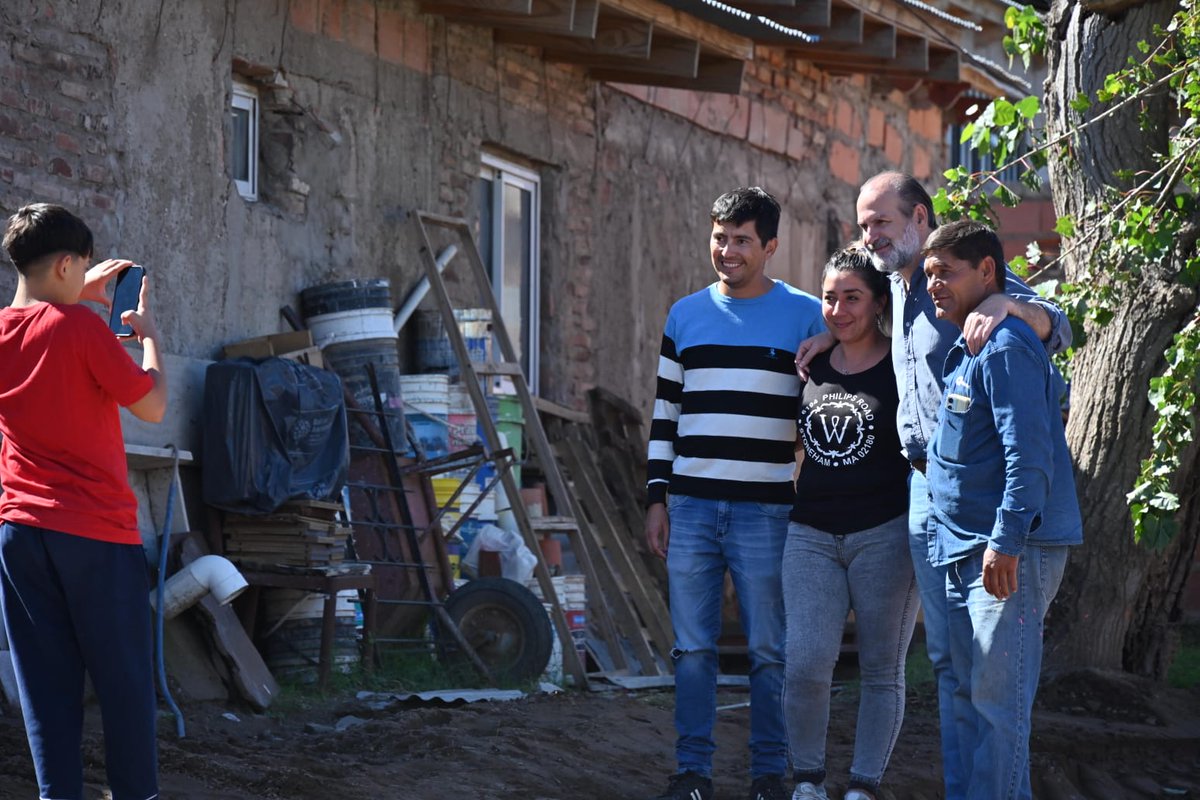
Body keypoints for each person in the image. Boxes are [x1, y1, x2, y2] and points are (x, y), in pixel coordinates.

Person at [795, 172, 1071, 800]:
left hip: (986, 498)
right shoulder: (894, 285)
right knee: (949, 665)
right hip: (924, 496)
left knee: (994, 679)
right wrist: (830, 335)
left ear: (918, 217)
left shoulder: (960, 279)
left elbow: (1058, 327)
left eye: (881, 223)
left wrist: (1014, 308)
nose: (869, 236)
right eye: (863, 226)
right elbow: (856, 311)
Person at [645, 187, 824, 800]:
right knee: (692, 649)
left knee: (770, 650)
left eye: (742, 239)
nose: (727, 249)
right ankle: (692, 774)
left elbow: (829, 404)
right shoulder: (684, 315)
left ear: (770, 246)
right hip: (690, 507)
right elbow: (665, 414)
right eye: (720, 236)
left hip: (768, 510)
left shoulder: (806, 316)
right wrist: (656, 499)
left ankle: (768, 776)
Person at [0, 203, 167, 800]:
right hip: (96, 532)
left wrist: (73, 293)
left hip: (20, 531)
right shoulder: (84, 330)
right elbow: (151, 404)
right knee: (124, 686)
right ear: (69, 264)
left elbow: (37, 325)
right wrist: (148, 340)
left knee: (46, 690)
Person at [921, 220, 1081, 800]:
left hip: (1008, 555)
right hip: (965, 549)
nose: (934, 285)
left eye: (946, 273)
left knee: (997, 707)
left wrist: (1007, 538)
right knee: (968, 698)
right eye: (930, 273)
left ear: (987, 272)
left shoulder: (1008, 343)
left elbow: (1029, 453)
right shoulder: (971, 342)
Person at [784, 246, 916, 800]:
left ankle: (863, 786)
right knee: (807, 663)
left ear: (879, 302)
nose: (838, 309)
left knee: (882, 669)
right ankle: (809, 781)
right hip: (810, 533)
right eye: (830, 298)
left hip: (884, 534)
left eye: (852, 298)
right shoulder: (809, 363)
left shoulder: (904, 364)